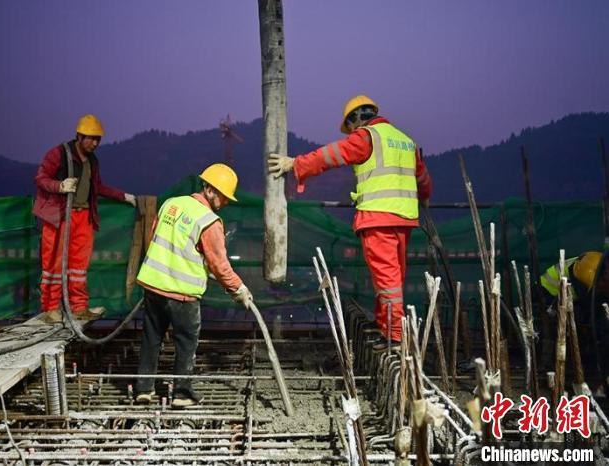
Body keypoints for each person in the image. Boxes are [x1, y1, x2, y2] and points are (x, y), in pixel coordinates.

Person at [268, 95, 432, 349]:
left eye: (351, 125)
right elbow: (423, 181)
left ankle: (395, 337)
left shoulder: (367, 137)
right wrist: (424, 197)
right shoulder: (405, 141)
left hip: (378, 218)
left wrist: (296, 164)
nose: (352, 131)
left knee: (387, 282)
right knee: (391, 279)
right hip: (405, 219)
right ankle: (386, 328)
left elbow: (330, 155)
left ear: (357, 118)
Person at [135, 163, 254, 407]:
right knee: (186, 342)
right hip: (182, 295)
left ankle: (144, 390)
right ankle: (181, 394)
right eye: (224, 195)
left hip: (153, 286)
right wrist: (239, 289)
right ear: (210, 190)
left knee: (151, 338)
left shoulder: (171, 204)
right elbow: (220, 265)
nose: (226, 202)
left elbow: (161, 241)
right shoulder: (209, 221)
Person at [33, 114, 136, 323]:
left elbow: (96, 187)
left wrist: (123, 196)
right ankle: (51, 308)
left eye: (98, 139)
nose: (95, 143)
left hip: (83, 216)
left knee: (78, 266)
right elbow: (41, 178)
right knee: (53, 263)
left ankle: (78, 307)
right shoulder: (59, 154)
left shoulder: (92, 160)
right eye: (91, 138)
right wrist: (59, 186)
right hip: (59, 216)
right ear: (79, 136)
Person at [540, 250, 609, 394]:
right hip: (547, 291)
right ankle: (552, 367)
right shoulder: (583, 279)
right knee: (561, 327)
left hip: (567, 289)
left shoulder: (594, 264)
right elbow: (586, 303)